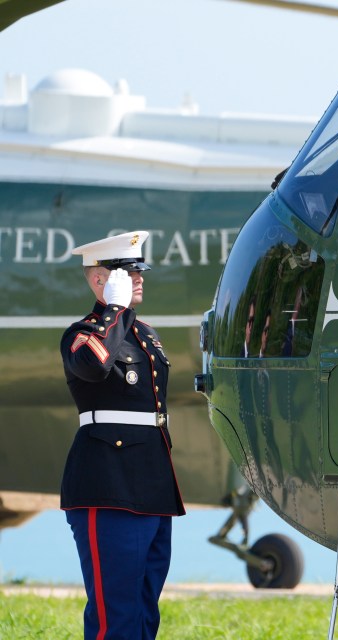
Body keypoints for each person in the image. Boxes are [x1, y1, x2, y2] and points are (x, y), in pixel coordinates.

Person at [60, 230, 185, 639]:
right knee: (116, 614)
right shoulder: (83, 333)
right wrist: (114, 307)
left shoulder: (145, 335)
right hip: (107, 483)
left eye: (138, 270)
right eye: (127, 272)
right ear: (100, 280)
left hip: (151, 482)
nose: (139, 278)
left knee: (145, 610)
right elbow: (94, 367)